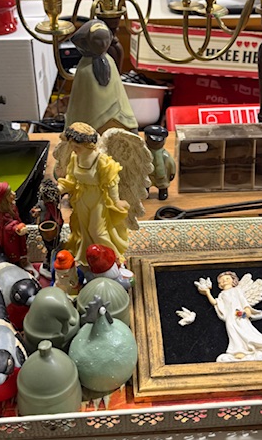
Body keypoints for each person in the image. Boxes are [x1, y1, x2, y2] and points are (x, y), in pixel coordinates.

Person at [57, 122, 130, 264]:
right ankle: (90, 257)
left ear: (88, 145)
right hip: (81, 198)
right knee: (84, 231)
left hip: (98, 199)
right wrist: (58, 190)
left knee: (97, 231)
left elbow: (111, 183)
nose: (73, 149)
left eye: (77, 147)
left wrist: (116, 201)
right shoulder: (75, 158)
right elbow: (71, 180)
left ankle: (114, 257)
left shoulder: (102, 161)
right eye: (72, 145)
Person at [64, 19, 138, 134]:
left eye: (106, 39)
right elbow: (80, 102)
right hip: (90, 123)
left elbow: (119, 91)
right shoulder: (84, 69)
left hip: (117, 119)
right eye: (97, 40)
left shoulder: (110, 62)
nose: (103, 44)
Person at [197, 271, 262, 362]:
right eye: (222, 280)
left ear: (233, 280)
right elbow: (215, 303)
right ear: (219, 284)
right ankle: (239, 351)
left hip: (239, 313)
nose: (224, 281)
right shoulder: (222, 294)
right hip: (230, 317)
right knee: (233, 334)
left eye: (227, 278)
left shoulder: (237, 290)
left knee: (245, 328)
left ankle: (254, 346)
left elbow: (243, 300)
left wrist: (247, 309)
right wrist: (207, 292)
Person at [0, 175, 28, 266]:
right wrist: (16, 227)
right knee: (13, 250)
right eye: (10, 194)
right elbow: (7, 226)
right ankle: (15, 264)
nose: (14, 193)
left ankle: (19, 260)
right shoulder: (3, 213)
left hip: (16, 234)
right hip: (10, 237)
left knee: (19, 247)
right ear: (3, 199)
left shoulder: (12, 206)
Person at [144, 125, 176, 201]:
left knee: (162, 184)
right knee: (146, 183)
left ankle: (163, 192)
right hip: (147, 174)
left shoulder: (165, 155)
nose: (155, 143)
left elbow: (171, 163)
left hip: (162, 175)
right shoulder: (144, 153)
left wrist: (172, 173)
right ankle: (145, 192)